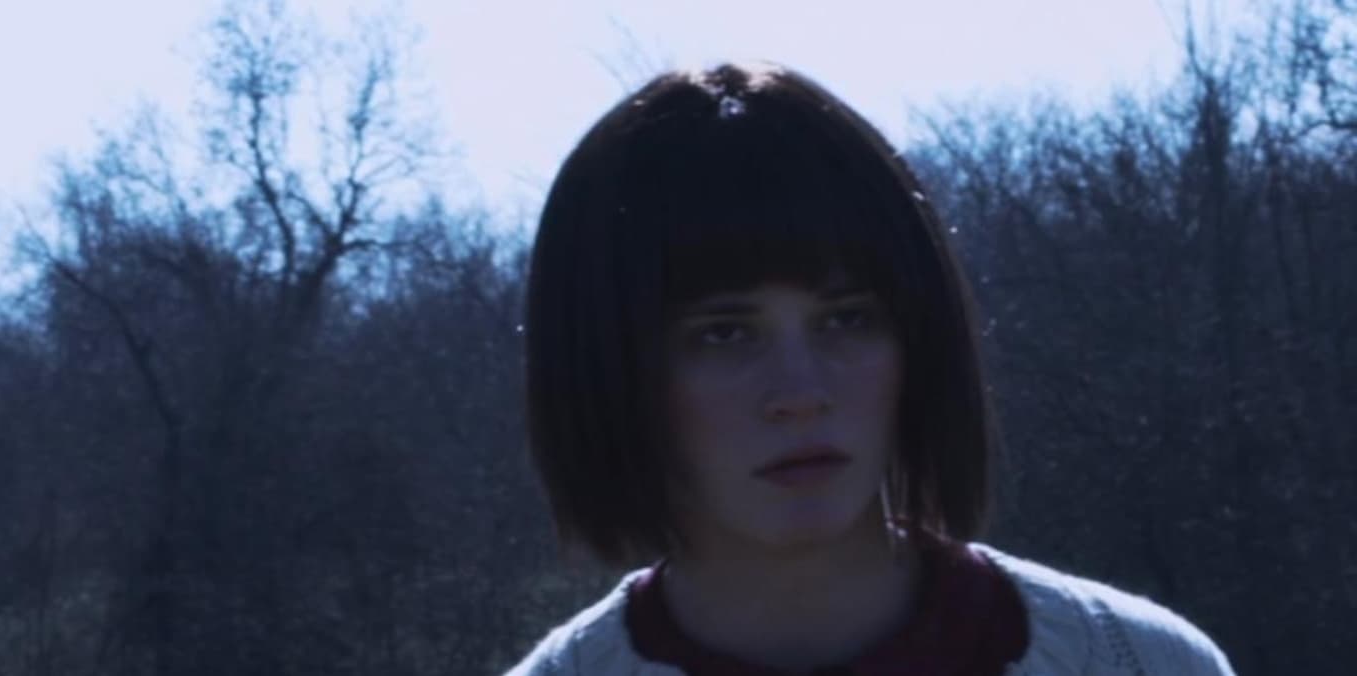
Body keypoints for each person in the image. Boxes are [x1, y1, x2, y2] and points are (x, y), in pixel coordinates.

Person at [504, 62, 1235, 675]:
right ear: (606, 372)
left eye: (846, 319)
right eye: (724, 334)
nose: (801, 393)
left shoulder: (1143, 663)